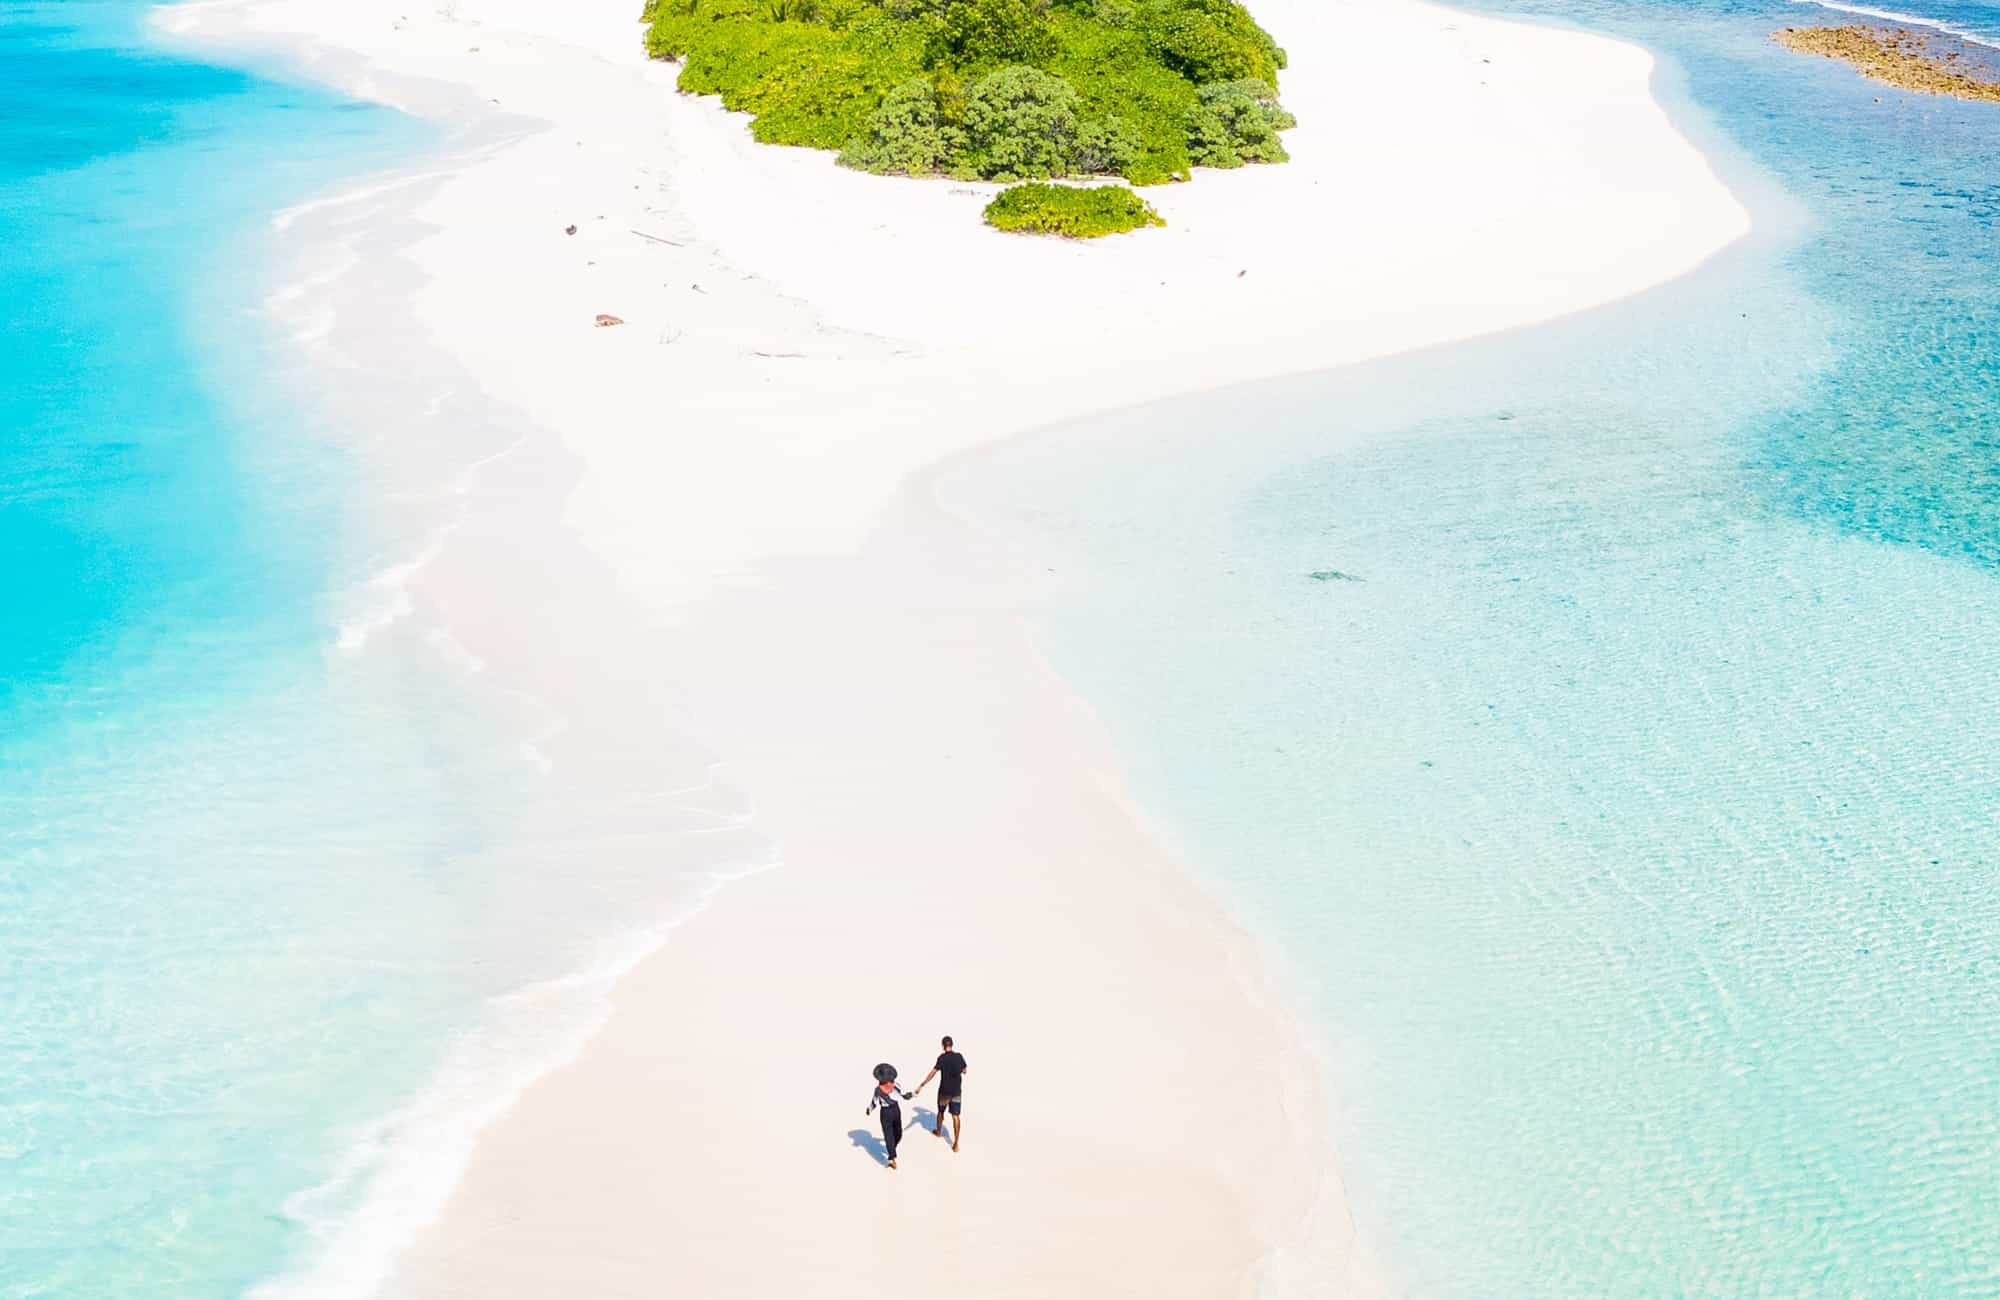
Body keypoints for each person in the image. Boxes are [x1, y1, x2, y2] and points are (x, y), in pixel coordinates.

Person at [913, 1035, 968, 1151]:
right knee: (956, 1116)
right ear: (952, 1045)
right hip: (956, 1092)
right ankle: (956, 1144)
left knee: (940, 1112)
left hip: (944, 1092)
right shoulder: (959, 1056)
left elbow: (933, 1073)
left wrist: (922, 1084)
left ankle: (938, 1131)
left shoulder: (941, 1058)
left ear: (943, 1046)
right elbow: (964, 1070)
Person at [866, 1076, 911, 1169]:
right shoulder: (880, 1089)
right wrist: (869, 1109)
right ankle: (892, 1157)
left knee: (897, 1134)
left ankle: (891, 1149)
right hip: (889, 1111)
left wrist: (913, 1094)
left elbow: (904, 1095)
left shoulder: (892, 1086)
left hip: (892, 1111)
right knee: (890, 1135)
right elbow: (874, 1102)